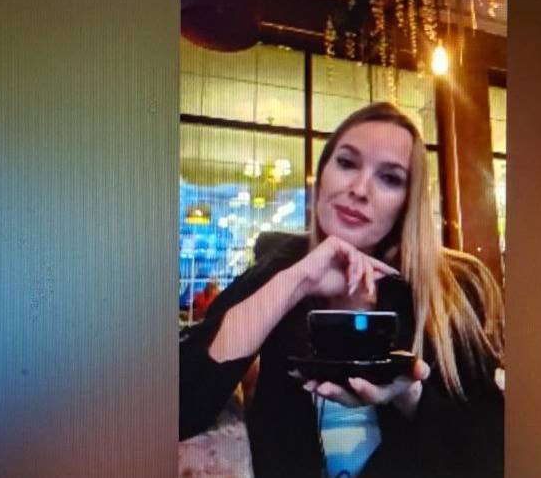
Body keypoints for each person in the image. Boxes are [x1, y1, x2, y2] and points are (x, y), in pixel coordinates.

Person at [179, 102, 505, 478]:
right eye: (347, 163)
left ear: (407, 203)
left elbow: (491, 454)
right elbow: (177, 407)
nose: (359, 189)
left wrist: (410, 396)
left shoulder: (448, 289)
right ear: (322, 176)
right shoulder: (279, 269)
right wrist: (296, 282)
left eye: (390, 178)